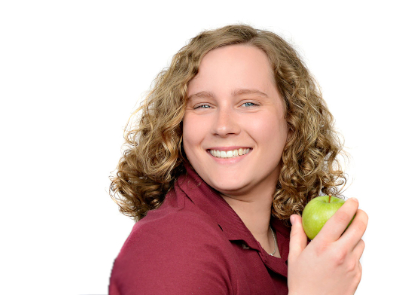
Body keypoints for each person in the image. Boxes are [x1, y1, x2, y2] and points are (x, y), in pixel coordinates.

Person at [109, 24, 368, 295]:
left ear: (293, 120)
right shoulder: (174, 246)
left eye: (248, 103)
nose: (223, 126)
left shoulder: (289, 236)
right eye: (203, 105)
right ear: (178, 124)